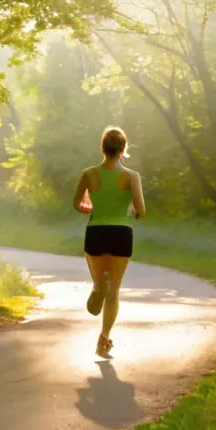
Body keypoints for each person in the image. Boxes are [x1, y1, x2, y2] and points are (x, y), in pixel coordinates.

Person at [73, 126, 146, 357]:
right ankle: (103, 340)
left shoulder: (89, 174)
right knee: (114, 291)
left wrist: (93, 207)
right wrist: (131, 209)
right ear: (123, 149)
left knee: (101, 282)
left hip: (96, 232)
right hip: (121, 234)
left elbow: (77, 204)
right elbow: (141, 210)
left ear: (102, 148)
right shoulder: (132, 177)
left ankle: (96, 286)